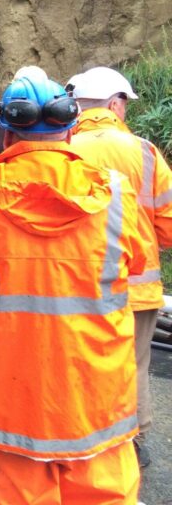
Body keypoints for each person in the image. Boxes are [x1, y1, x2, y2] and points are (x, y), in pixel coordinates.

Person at [0, 69, 147, 504]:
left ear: (6, 127)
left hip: (14, 395)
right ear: (70, 124)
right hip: (95, 389)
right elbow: (136, 263)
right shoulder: (117, 193)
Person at [67, 66, 172, 469]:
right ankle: (132, 441)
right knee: (134, 364)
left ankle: (83, 438)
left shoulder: (64, 148)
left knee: (83, 360)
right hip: (135, 286)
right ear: (115, 104)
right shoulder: (143, 151)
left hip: (79, 283)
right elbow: (167, 222)